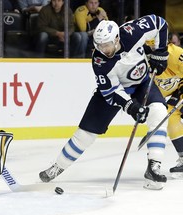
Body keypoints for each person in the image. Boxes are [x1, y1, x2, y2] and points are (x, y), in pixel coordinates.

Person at [39, 15, 169, 190]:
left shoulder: (133, 32)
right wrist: (131, 106)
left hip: (142, 83)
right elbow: (111, 92)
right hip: (116, 92)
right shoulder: (100, 61)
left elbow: (159, 23)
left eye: (106, 44)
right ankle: (58, 166)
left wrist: (160, 52)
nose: (103, 49)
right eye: (99, 45)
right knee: (86, 133)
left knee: (159, 111)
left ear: (117, 38)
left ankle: (154, 166)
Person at [146, 39, 183, 178]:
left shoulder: (176, 54)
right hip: (162, 96)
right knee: (168, 115)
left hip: (179, 91)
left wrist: (180, 93)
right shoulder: (140, 58)